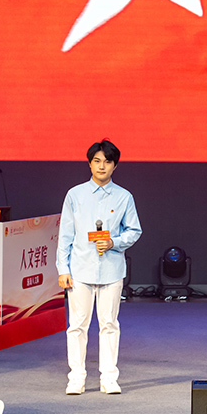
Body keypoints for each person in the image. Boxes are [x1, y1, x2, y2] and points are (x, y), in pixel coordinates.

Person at [56, 140, 142, 395]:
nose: (101, 166)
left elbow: (134, 230)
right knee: (77, 325)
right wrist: (63, 269)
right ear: (89, 163)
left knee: (109, 324)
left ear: (115, 166)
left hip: (111, 270)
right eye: (97, 161)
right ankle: (76, 377)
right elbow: (65, 235)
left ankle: (109, 378)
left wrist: (114, 242)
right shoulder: (75, 195)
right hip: (79, 269)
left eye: (107, 161)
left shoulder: (124, 197)